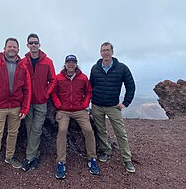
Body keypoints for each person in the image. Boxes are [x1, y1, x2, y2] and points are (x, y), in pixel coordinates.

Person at [0, 38, 31, 183]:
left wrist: (25, 108)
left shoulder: (23, 66)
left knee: (13, 133)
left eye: (15, 47)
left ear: (18, 49)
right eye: (10, 46)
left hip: (16, 107)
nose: (12, 49)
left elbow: (27, 89)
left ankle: (9, 157)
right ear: (4, 48)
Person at [51, 54, 100, 179]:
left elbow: (89, 91)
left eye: (73, 62)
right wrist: (58, 105)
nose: (71, 64)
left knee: (89, 130)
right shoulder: (59, 78)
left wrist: (84, 104)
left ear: (76, 64)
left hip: (80, 110)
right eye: (69, 62)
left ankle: (92, 159)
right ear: (65, 64)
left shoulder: (83, 77)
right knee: (62, 130)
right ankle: (61, 162)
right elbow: (54, 93)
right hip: (64, 111)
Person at [89, 42, 136, 173]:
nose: (106, 53)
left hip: (113, 106)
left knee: (120, 133)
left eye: (108, 50)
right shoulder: (95, 68)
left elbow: (130, 86)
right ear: (100, 53)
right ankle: (106, 151)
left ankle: (127, 159)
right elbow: (90, 86)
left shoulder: (122, 68)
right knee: (101, 131)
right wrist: (89, 103)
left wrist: (125, 103)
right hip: (97, 105)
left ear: (112, 52)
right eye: (103, 50)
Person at [21, 33, 56, 171]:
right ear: (28, 45)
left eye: (36, 42)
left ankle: (29, 157)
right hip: (27, 102)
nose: (33, 45)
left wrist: (46, 93)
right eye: (31, 43)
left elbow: (53, 80)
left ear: (39, 45)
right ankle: (36, 155)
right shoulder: (23, 62)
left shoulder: (48, 62)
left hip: (41, 102)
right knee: (29, 128)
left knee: (36, 129)